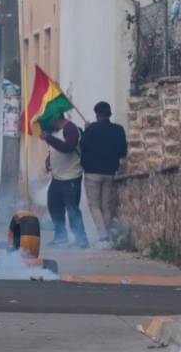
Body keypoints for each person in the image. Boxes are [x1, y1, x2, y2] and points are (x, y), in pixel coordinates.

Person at [81, 101, 128, 246]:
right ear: (109, 113)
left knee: (94, 206)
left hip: (92, 173)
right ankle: (107, 236)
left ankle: (103, 237)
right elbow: (123, 151)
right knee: (106, 206)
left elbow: (82, 147)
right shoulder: (118, 129)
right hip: (110, 172)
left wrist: (86, 130)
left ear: (97, 114)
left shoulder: (91, 129)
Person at [42, 114, 89, 248]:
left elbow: (68, 148)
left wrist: (48, 138)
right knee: (54, 206)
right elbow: (55, 149)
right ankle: (60, 236)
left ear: (57, 118)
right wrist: (49, 159)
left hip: (71, 176)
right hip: (57, 177)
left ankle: (81, 238)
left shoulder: (71, 129)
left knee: (72, 209)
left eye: (51, 121)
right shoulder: (56, 132)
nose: (50, 125)